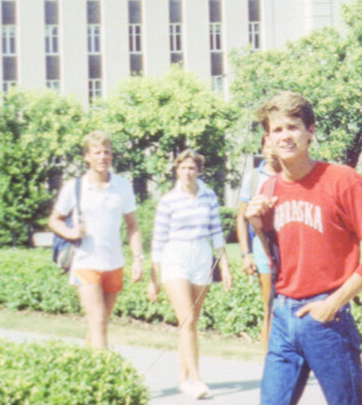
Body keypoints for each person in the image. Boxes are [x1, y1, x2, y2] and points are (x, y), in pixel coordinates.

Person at [244, 91, 362, 405]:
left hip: (327, 315)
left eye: (293, 127)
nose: (285, 136)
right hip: (283, 315)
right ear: (268, 138)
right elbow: (278, 256)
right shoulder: (268, 187)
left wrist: (334, 303)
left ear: (310, 130)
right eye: (277, 130)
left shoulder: (342, 180)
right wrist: (259, 227)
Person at [146, 149, 232, 399]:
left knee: (191, 322)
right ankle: (197, 379)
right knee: (188, 321)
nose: (187, 172)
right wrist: (154, 278)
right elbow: (158, 240)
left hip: (201, 257)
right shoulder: (168, 200)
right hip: (176, 258)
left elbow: (217, 233)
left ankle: (183, 378)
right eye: (183, 168)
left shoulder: (209, 197)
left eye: (192, 168)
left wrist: (224, 265)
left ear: (199, 171)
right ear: (177, 170)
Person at [49, 130, 142, 350]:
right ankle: (106, 375)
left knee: (98, 324)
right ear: (87, 157)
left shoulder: (122, 186)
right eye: (97, 153)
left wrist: (137, 258)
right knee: (98, 319)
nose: (103, 157)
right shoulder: (75, 187)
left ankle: (84, 367)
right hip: (86, 261)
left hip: (114, 263)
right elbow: (54, 220)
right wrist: (70, 233)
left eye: (106, 152)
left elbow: (132, 226)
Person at [235, 136, 281, 352]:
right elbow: (242, 217)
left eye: (275, 146)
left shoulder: (292, 174)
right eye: (267, 146)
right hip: (264, 251)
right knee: (270, 307)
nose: (272, 151)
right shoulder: (253, 178)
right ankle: (269, 360)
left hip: (292, 249)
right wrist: (246, 254)